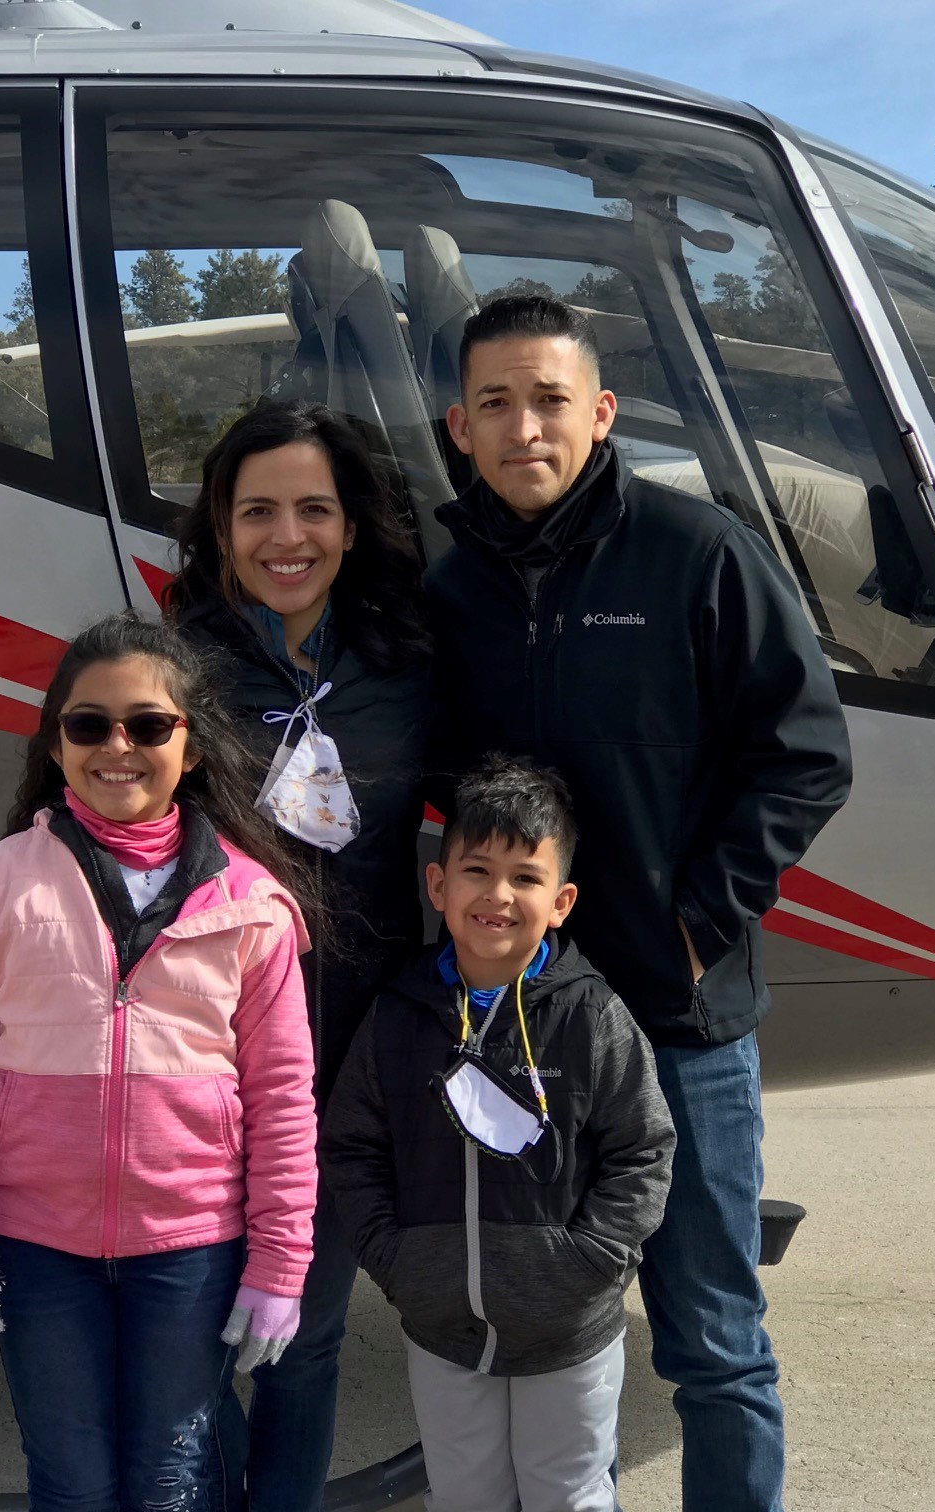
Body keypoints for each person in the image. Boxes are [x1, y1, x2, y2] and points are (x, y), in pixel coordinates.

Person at [425, 295, 852, 1512]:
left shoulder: (697, 552)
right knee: (561, 1346)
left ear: (599, 412)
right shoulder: (451, 593)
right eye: (495, 405)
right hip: (525, 1030)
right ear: (460, 428)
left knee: (714, 1341)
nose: (524, 428)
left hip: (682, 1021)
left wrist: (696, 920)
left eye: (550, 399)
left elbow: (808, 752)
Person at [0, 613, 321, 1512]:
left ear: (193, 745)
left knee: (174, 1477)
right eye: (88, 724)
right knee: (73, 1483)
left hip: (194, 1249)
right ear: (56, 743)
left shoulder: (253, 907)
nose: (116, 747)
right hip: (39, 1250)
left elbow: (285, 1097)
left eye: (148, 725)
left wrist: (281, 1265)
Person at [168, 402, 431, 1512]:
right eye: (258, 511)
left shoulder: (411, 667)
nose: (289, 537)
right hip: (197, 1059)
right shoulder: (171, 674)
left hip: (347, 1054)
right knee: (189, 1344)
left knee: (305, 1336)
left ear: (353, 524)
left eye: (314, 509)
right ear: (221, 530)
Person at [322, 756, 675, 1512]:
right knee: (464, 1498)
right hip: (441, 1326)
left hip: (568, 1330)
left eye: (525, 877)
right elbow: (351, 1145)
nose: (499, 895)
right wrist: (397, 1259)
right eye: (477, 871)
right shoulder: (398, 1015)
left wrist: (591, 1264)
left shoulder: (592, 1016)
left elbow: (643, 1148)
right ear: (438, 886)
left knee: (569, 1496)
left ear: (562, 902)